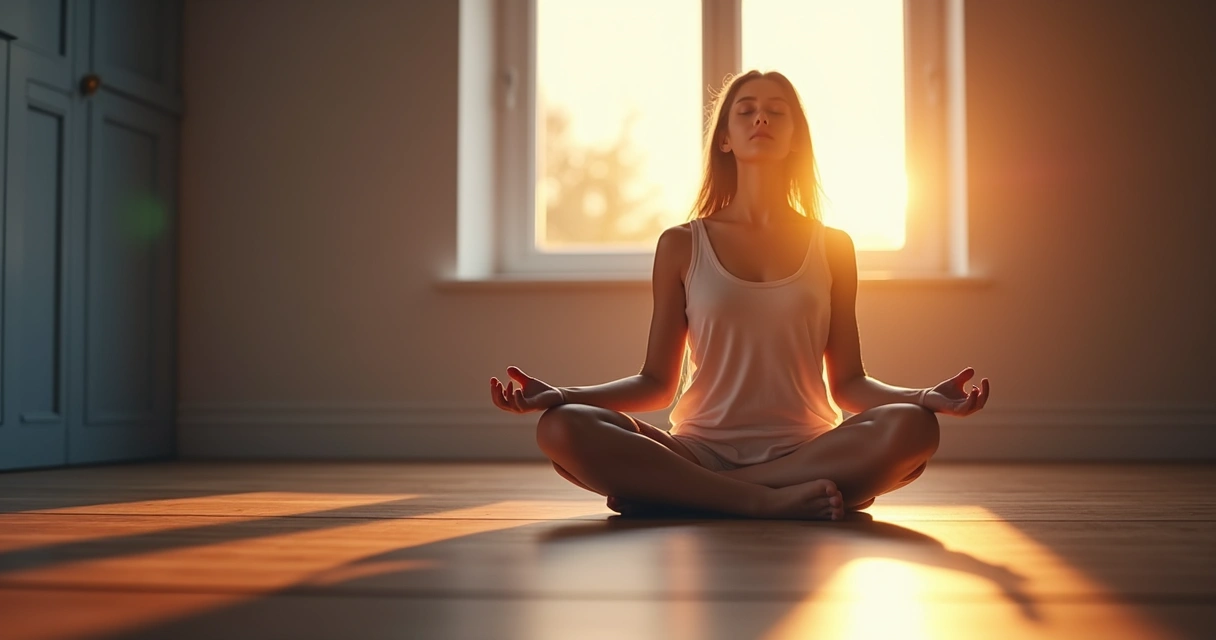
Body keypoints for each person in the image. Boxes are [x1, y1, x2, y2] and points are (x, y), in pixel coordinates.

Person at [489, 70, 989, 521]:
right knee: (561, 429)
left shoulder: (834, 246)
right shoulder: (681, 244)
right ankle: (760, 499)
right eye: (746, 109)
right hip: (698, 450)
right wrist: (563, 396)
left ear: (796, 138)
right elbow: (657, 383)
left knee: (916, 429)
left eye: (777, 110)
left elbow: (849, 385)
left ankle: (689, 495)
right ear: (724, 139)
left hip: (811, 451)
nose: (761, 118)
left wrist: (921, 397)